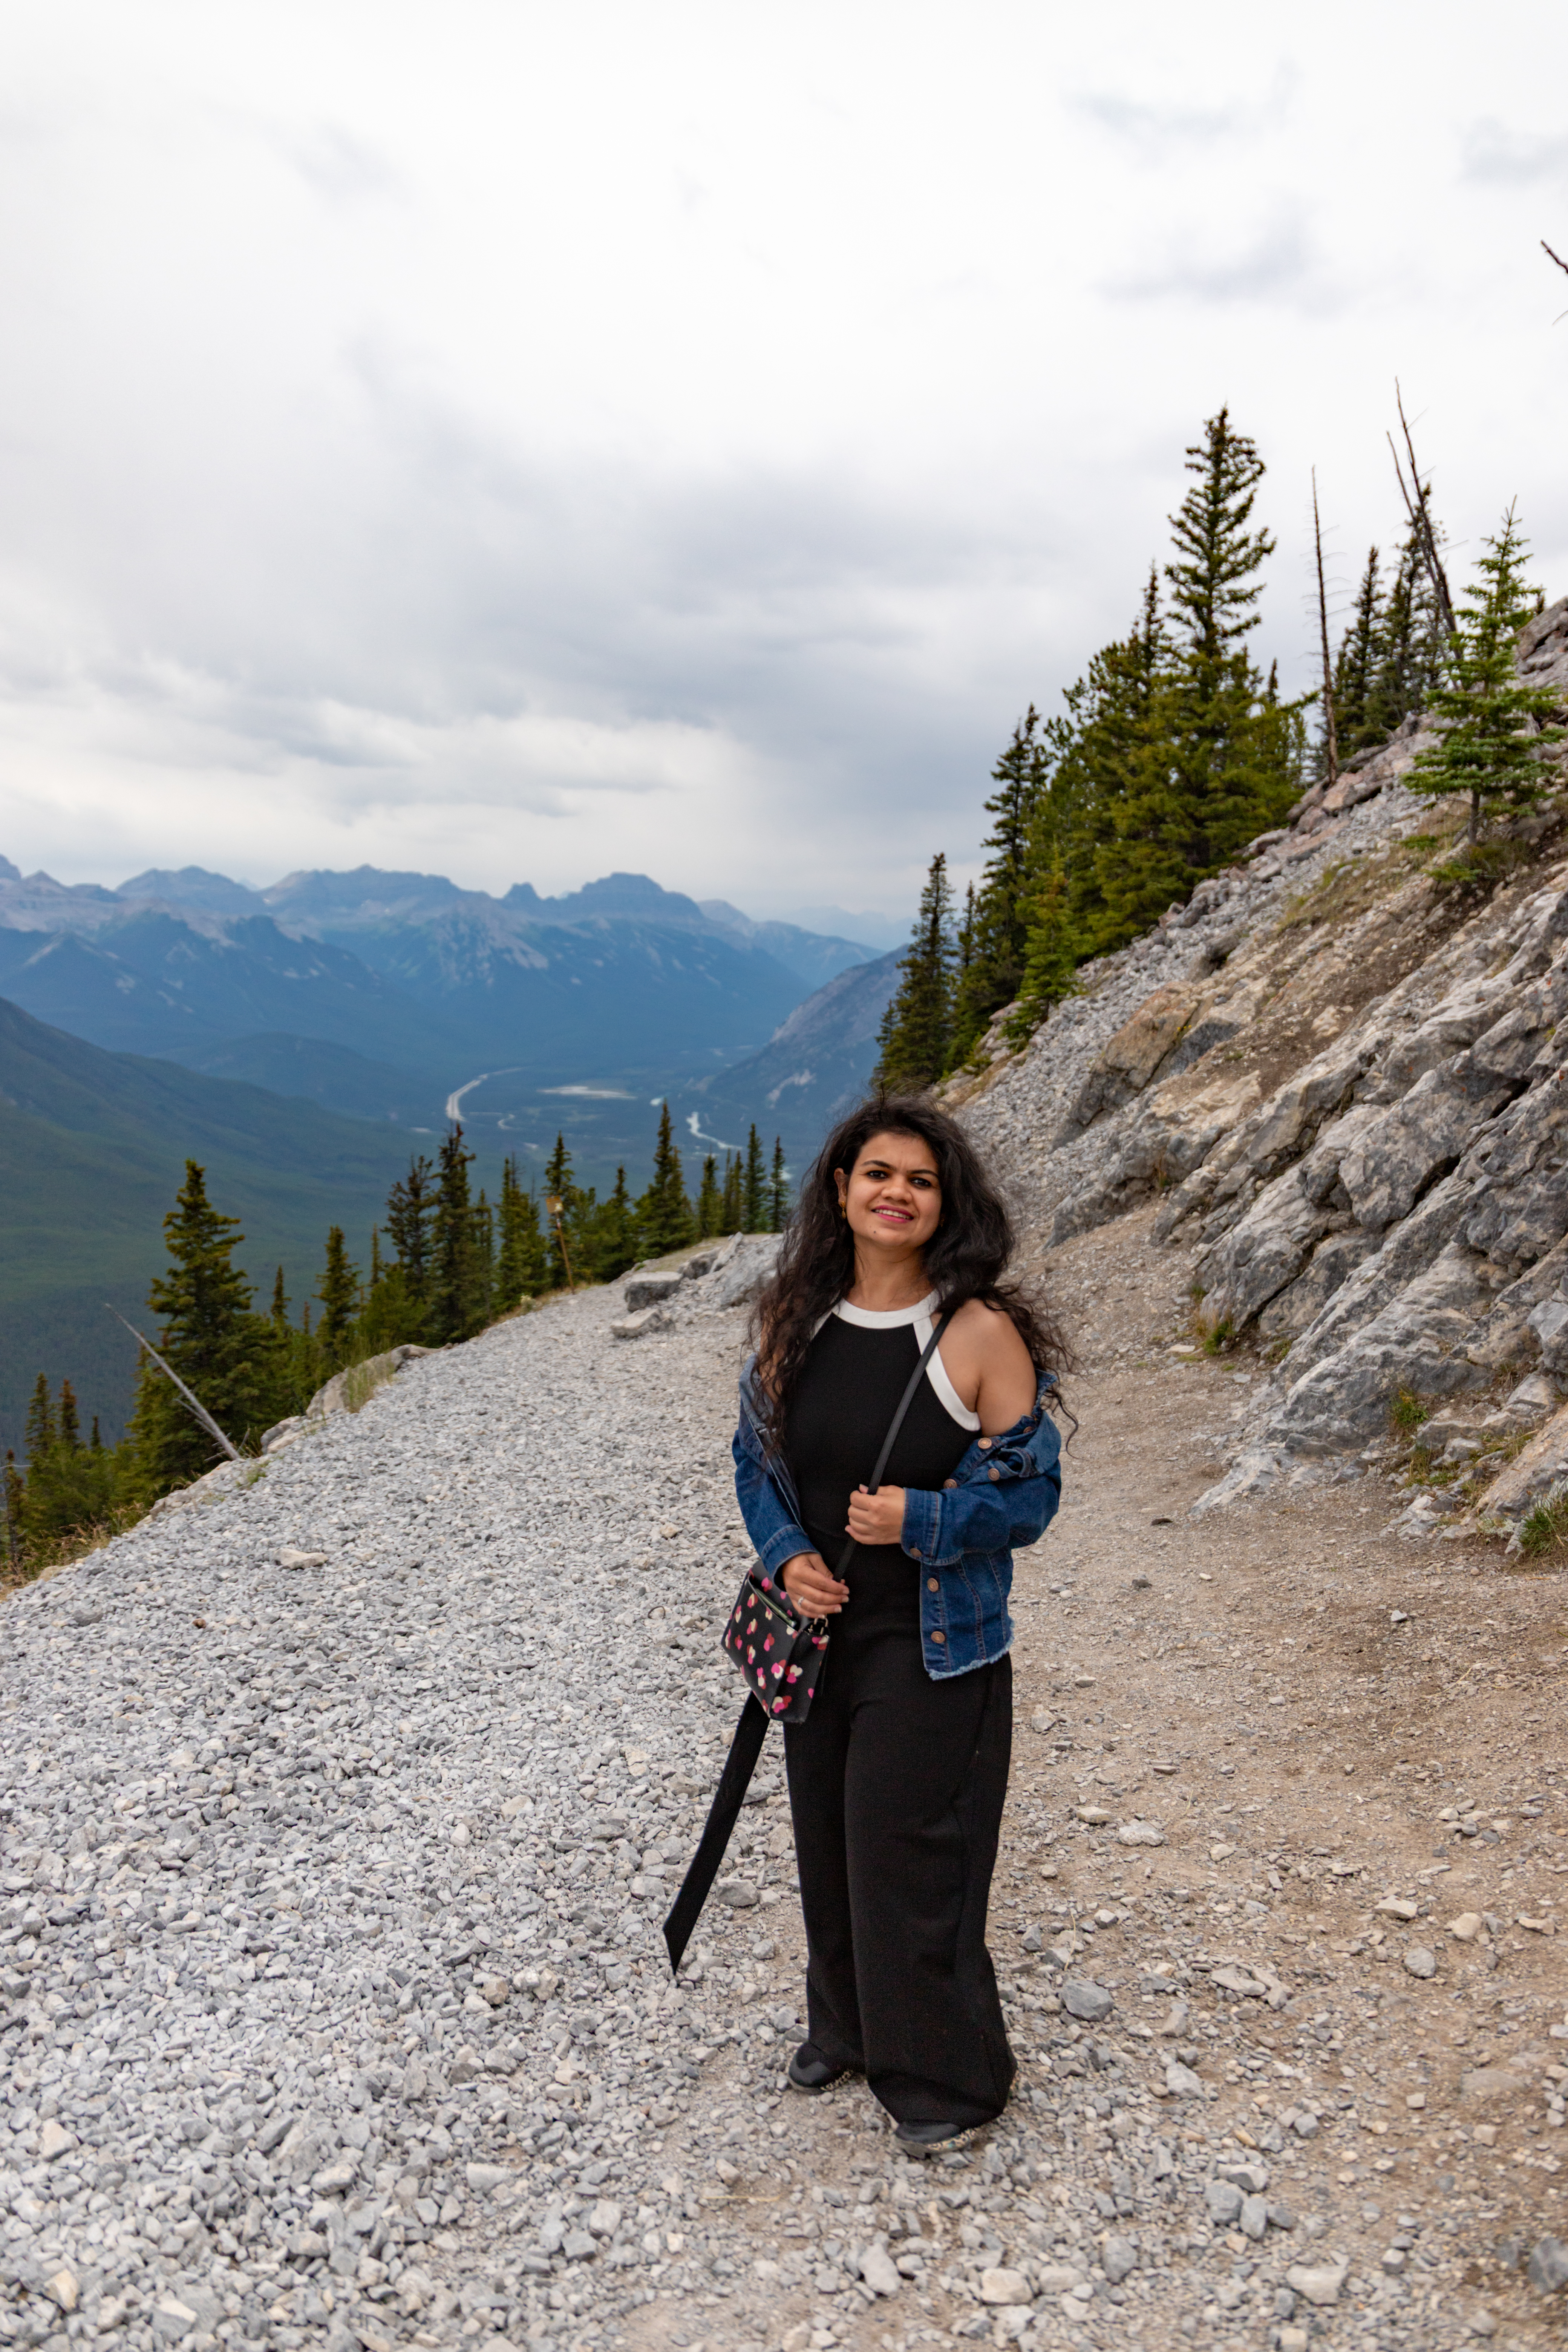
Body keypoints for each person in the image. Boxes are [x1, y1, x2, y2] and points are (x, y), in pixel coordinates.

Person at [732, 1094, 1067, 2150]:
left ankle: (949, 2082)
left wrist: (921, 1516)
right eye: (879, 1174)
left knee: (906, 1851)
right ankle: (848, 2029)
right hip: (821, 1635)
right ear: (841, 1190)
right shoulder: (796, 1317)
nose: (897, 1194)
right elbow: (755, 1462)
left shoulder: (978, 1333)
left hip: (935, 1646)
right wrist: (787, 1555)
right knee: (827, 1837)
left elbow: (1032, 1499)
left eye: (921, 1181)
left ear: (945, 1205)